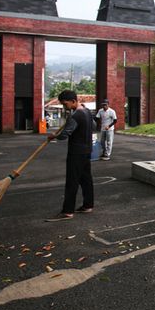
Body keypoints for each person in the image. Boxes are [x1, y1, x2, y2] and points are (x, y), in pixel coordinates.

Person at [47, 90, 94, 219]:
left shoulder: (75, 116)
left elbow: (64, 135)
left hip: (76, 153)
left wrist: (54, 136)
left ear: (73, 101)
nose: (64, 106)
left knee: (72, 181)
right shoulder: (87, 112)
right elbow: (93, 126)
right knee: (86, 180)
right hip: (87, 150)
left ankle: (68, 211)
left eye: (65, 104)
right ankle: (88, 205)